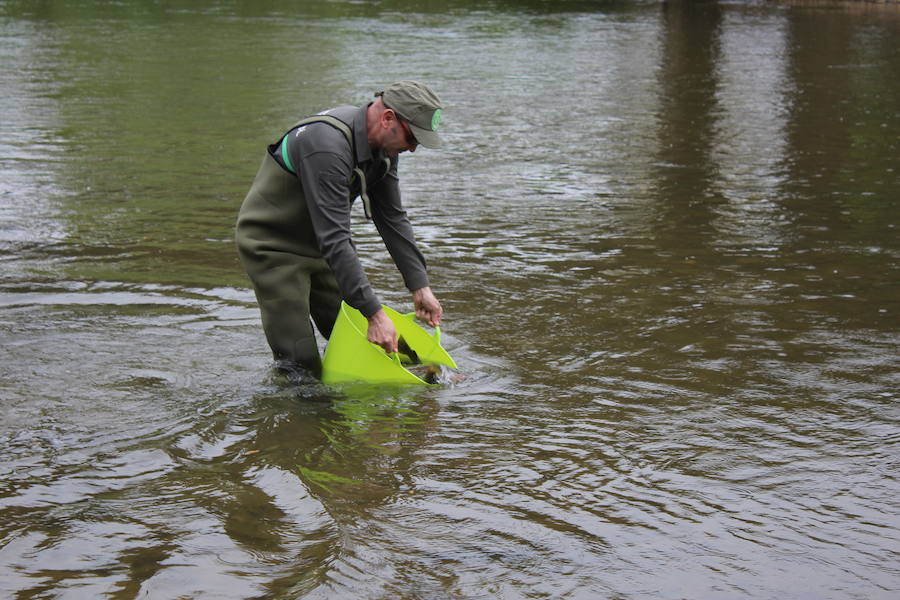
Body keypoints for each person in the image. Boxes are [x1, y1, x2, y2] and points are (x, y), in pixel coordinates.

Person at [235, 80, 445, 378]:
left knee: (380, 343)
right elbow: (335, 236)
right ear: (388, 119)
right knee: (300, 365)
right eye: (412, 138)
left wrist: (419, 285)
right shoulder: (327, 146)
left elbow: (392, 218)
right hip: (273, 247)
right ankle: (304, 418)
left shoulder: (384, 148)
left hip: (322, 247)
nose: (412, 149)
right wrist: (374, 312)